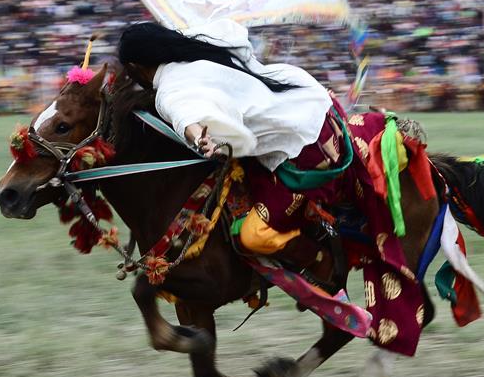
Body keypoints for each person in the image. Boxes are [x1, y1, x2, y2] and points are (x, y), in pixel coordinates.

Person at [117, 18, 351, 255]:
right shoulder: (197, 43)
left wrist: (199, 139)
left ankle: (326, 256)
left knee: (254, 237)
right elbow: (229, 28)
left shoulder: (168, 91)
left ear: (136, 67)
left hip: (305, 141)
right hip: (305, 93)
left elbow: (183, 115)